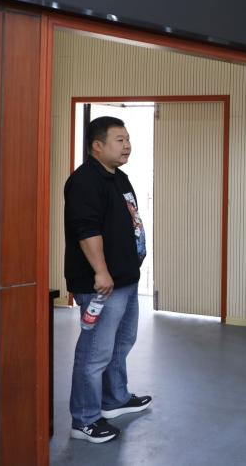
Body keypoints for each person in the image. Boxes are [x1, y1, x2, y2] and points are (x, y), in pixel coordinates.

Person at [65, 116, 152, 443]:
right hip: (101, 285)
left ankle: (114, 399)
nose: (127, 145)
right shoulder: (85, 181)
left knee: (121, 343)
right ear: (97, 145)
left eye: (128, 139)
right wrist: (101, 271)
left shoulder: (119, 177)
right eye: (120, 139)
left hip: (125, 280)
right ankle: (84, 420)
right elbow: (86, 230)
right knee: (94, 353)